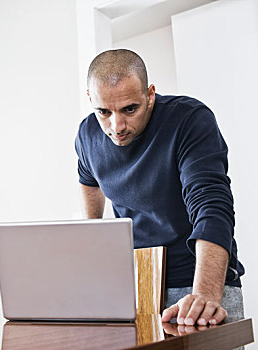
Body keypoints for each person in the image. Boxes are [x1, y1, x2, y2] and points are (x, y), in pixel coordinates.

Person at [75, 49, 245, 326]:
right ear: (90, 100)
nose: (116, 126)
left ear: (150, 94)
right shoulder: (87, 134)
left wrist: (205, 295)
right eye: (104, 111)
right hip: (139, 285)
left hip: (198, 279)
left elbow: (211, 205)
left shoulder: (189, 119)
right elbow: (89, 181)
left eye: (130, 109)